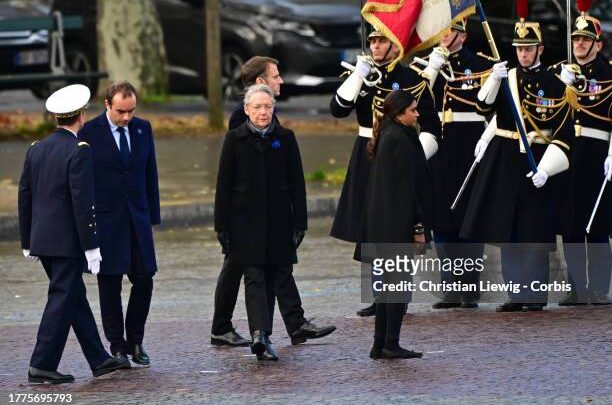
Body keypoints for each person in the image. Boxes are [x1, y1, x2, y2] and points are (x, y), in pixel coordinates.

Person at [212, 57, 335, 347]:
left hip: (269, 216)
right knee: (251, 272)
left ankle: (289, 325)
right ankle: (236, 328)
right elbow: (226, 181)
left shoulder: (276, 126)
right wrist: (224, 225)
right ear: (259, 84)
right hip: (248, 218)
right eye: (276, 76)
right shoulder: (242, 124)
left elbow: (293, 178)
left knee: (277, 269)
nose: (281, 81)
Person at [460, 10, 574, 312]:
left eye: (528, 48)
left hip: (537, 160)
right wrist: (494, 81)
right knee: (508, 229)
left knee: (533, 231)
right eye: (519, 49)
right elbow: (482, 108)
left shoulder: (554, 85)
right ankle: (515, 292)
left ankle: (535, 294)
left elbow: (563, 131)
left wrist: (548, 169)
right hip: (505, 160)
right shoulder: (506, 77)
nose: (523, 54)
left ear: (539, 50)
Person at [18, 84, 130, 384]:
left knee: (74, 298)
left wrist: (27, 240)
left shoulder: (36, 148)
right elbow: (82, 203)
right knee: (61, 298)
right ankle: (41, 363)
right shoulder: (79, 151)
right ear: (81, 116)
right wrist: (91, 247)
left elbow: (25, 196)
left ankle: (99, 359)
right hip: (67, 243)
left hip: (43, 240)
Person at [330, 28, 441, 317]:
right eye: (373, 42)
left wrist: (416, 155)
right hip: (367, 153)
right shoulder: (361, 74)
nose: (376, 47)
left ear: (395, 46)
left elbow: (432, 126)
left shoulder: (412, 81)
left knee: (399, 225)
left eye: (382, 41)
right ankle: (378, 295)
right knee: (371, 227)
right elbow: (338, 109)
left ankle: (398, 295)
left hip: (400, 156)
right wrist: (358, 75)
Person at [78, 81, 160, 367]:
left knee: (145, 279)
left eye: (131, 111)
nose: (127, 117)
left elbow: (150, 173)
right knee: (109, 283)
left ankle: (135, 340)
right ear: (107, 105)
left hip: (137, 218)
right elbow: (82, 180)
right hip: (106, 220)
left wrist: (153, 217)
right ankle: (117, 346)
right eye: (121, 111)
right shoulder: (88, 133)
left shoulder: (143, 128)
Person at [420, 19, 493, 309]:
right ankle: (450, 286)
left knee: (469, 217)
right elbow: (418, 97)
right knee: (441, 219)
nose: (443, 36)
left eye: (449, 31)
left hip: (469, 142)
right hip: (439, 143)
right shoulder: (428, 64)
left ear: (462, 35)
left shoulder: (480, 65)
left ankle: (470, 286)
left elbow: (488, 106)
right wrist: (434, 67)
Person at [360, 90, 431, 359]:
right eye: (412, 110)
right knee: (398, 285)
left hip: (383, 222)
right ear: (399, 113)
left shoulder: (390, 134)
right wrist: (418, 228)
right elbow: (407, 189)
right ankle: (390, 342)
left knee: (389, 286)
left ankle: (380, 343)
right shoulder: (399, 138)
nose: (417, 113)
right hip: (396, 223)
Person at [551, 6, 611, 305]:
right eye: (576, 39)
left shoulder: (609, 74)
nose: (580, 44)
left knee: (597, 226)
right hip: (566, 153)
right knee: (571, 225)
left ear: (598, 44)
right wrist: (561, 84)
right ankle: (576, 287)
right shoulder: (561, 71)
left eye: (586, 40)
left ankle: (599, 289)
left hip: (597, 153)